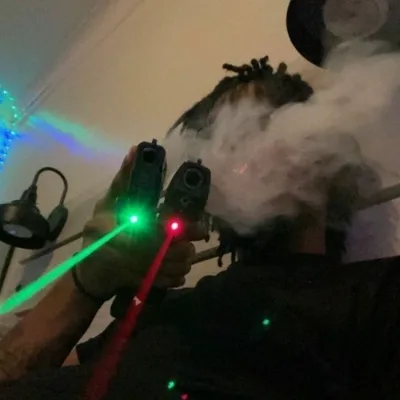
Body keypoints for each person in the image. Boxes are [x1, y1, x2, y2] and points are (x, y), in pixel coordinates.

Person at [0, 56, 398, 400]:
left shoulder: (377, 299)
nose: (232, 160)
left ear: (324, 158)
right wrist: (85, 283)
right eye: (213, 144)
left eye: (253, 130)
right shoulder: (157, 313)